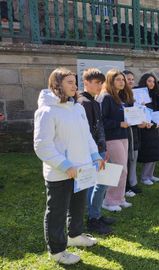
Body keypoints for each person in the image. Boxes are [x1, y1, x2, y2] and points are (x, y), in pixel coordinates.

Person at [34, 67, 101, 265]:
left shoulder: (77, 107)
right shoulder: (46, 111)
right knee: (57, 211)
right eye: (70, 82)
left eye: (75, 82)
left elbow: (87, 135)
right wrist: (64, 165)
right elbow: (42, 146)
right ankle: (57, 251)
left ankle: (75, 235)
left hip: (82, 169)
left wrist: (95, 155)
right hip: (60, 172)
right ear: (57, 85)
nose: (75, 86)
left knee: (78, 206)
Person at [77, 68, 114, 235]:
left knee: (102, 182)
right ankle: (92, 219)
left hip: (99, 149)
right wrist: (96, 152)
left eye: (101, 83)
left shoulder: (94, 101)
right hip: (91, 151)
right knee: (96, 184)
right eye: (96, 83)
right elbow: (87, 132)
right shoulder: (83, 102)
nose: (99, 86)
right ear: (86, 82)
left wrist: (104, 148)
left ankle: (95, 215)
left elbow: (100, 128)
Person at [98, 69, 132, 211]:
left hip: (123, 136)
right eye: (118, 79)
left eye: (123, 80)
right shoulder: (106, 98)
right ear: (110, 81)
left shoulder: (121, 98)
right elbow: (101, 121)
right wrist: (119, 124)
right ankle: (109, 201)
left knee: (124, 168)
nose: (122, 82)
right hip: (112, 138)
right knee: (118, 169)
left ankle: (120, 198)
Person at [121, 70, 145, 196]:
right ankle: (125, 187)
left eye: (132, 79)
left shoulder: (133, 94)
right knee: (126, 159)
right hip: (125, 131)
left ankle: (131, 183)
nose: (130, 81)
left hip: (134, 130)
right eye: (127, 79)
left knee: (133, 157)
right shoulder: (121, 95)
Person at [136, 73, 159, 186]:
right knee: (148, 152)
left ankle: (150, 175)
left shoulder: (154, 94)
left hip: (153, 125)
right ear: (144, 82)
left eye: (153, 81)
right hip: (144, 127)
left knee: (155, 150)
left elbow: (156, 110)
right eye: (149, 81)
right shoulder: (138, 93)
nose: (152, 83)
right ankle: (144, 177)